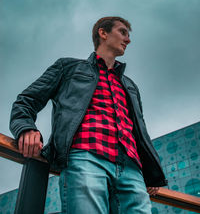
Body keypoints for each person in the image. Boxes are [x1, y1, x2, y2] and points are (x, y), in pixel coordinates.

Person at [10, 16, 167, 214]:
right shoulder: (68, 68)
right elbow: (26, 100)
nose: (128, 40)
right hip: (86, 157)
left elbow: (139, 130)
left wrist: (150, 172)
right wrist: (26, 128)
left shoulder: (130, 86)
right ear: (103, 33)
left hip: (131, 169)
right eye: (123, 32)